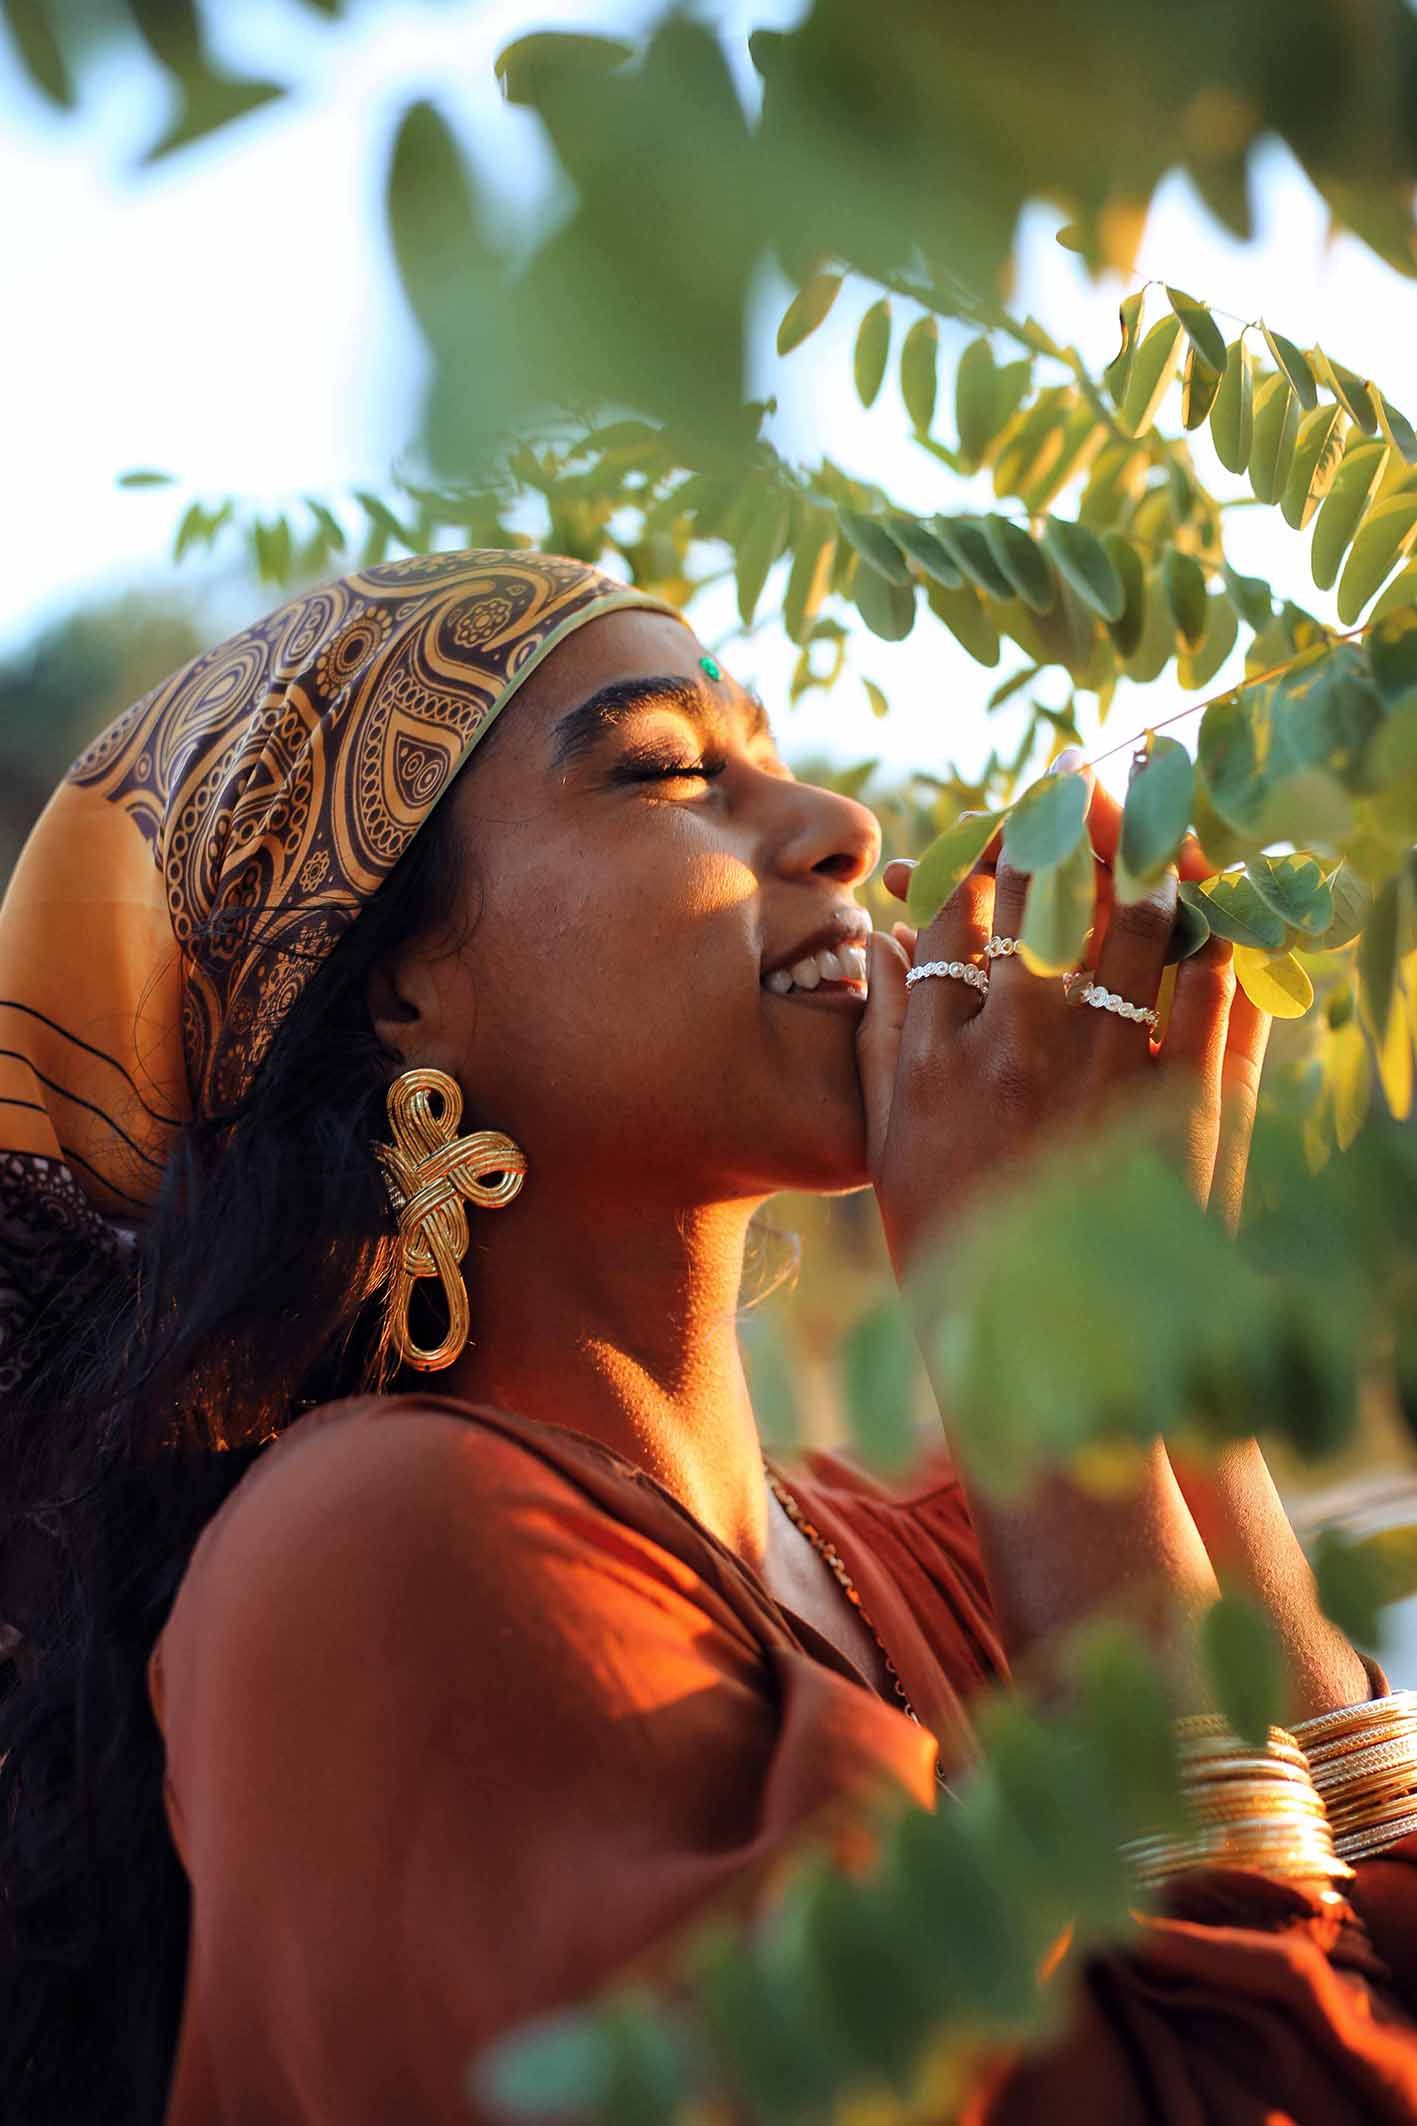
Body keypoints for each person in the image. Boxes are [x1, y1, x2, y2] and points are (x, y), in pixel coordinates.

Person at [1, 548, 1415, 2125]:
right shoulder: (376, 1560)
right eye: (670, 770)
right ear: (401, 992)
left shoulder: (963, 1539)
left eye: (769, 752)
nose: (840, 826)